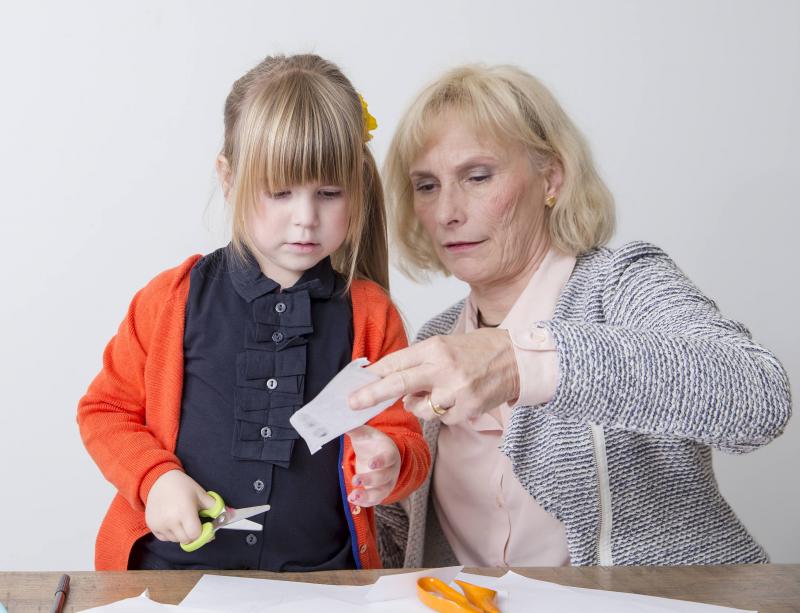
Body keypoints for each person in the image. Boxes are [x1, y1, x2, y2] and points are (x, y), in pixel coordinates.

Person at [349, 64, 792, 567]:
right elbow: (399, 544)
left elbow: (761, 397)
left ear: (551, 178)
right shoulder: (434, 340)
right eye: (426, 186)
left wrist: (522, 363)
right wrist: (377, 476)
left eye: (477, 177)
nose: (448, 211)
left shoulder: (621, 284)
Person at [77, 53, 430, 571]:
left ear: (356, 183)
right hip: (172, 584)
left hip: (323, 588)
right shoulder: (170, 300)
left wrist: (392, 461)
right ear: (228, 176)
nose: (305, 219)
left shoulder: (372, 316)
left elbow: (409, 444)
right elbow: (104, 411)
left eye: (329, 193)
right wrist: (156, 479)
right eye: (280, 192)